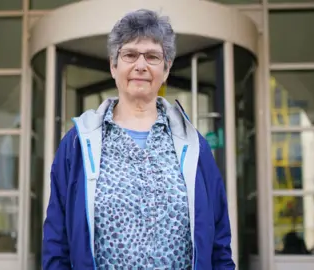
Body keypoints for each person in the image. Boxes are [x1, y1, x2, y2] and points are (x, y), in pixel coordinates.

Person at [42, 9, 235, 269]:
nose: (140, 66)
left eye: (153, 57)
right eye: (130, 55)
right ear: (113, 65)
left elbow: (219, 243)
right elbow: (56, 241)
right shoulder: (77, 143)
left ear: (166, 69)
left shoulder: (195, 145)